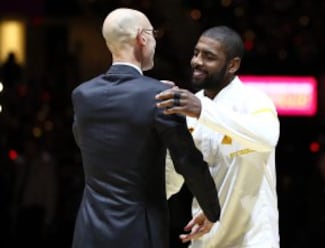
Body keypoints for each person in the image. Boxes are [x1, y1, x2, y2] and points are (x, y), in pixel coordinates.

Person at [70, 8, 220, 248]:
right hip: (139, 233)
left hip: (89, 233)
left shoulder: (82, 95)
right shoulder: (159, 97)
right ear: (142, 37)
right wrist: (212, 210)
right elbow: (187, 161)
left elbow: (89, 142)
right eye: (153, 34)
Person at [156, 26, 280, 247]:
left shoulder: (254, 100)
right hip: (204, 238)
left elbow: (267, 137)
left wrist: (202, 110)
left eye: (209, 57)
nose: (197, 61)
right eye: (196, 53)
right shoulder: (190, 107)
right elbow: (172, 179)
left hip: (252, 239)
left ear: (232, 65)